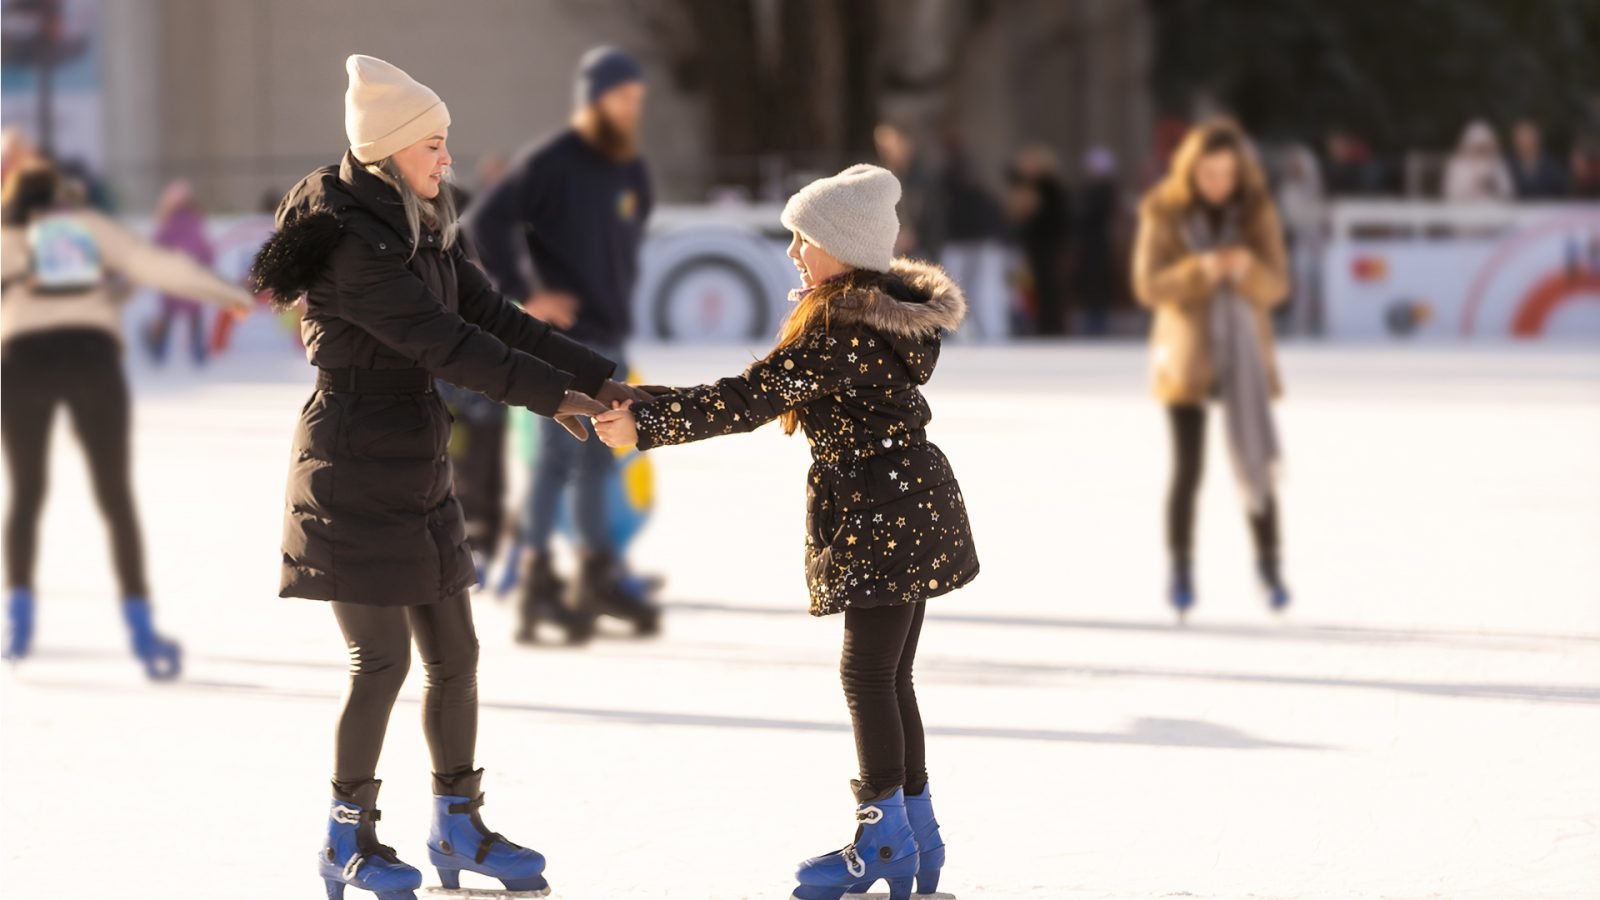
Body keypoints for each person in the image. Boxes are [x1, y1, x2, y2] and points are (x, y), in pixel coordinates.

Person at [249, 55, 643, 900]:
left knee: (456, 655)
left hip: (415, 457)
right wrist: (559, 402)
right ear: (389, 152)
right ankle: (344, 841)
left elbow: (489, 315)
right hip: (351, 464)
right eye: (433, 145)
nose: (447, 160)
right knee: (379, 661)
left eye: (447, 142)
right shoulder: (354, 246)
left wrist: (603, 378)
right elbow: (447, 345)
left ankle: (457, 828)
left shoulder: (419, 219)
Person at [594, 164, 976, 900]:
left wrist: (643, 424)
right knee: (891, 676)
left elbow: (748, 399)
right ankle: (915, 835)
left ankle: (887, 839)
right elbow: (755, 392)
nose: (794, 249)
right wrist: (640, 403)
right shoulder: (877, 316)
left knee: (868, 675)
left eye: (807, 237)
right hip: (913, 503)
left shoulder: (843, 326)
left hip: (881, 512)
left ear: (845, 245)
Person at [0, 159, 253, 677]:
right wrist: (227, 294)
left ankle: (16, 621)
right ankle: (140, 629)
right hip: (92, 359)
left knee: (26, 493)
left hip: (22, 363)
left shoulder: (8, 238)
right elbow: (158, 264)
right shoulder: (88, 229)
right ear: (61, 200)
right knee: (115, 497)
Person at [466, 46, 660, 644]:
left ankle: (595, 577)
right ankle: (537, 585)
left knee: (603, 461)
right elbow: (484, 222)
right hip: (560, 344)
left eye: (636, 101)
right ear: (594, 98)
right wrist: (528, 292)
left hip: (608, 339)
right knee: (556, 461)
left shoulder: (629, 168)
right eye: (621, 99)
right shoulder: (553, 160)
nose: (631, 110)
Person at [1131, 118, 1292, 621]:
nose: (1218, 183)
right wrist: (1201, 270)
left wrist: (1246, 271)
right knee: (1188, 468)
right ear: (1191, 169)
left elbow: (1278, 287)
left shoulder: (1256, 211)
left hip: (1244, 353)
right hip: (1186, 353)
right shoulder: (1164, 210)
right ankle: (1180, 568)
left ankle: (1269, 564)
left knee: (1254, 455)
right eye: (1208, 173)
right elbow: (1149, 285)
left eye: (1226, 173)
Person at [141, 180, 216, 366]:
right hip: (192, 280)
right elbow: (205, 250)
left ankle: (159, 350)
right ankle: (198, 352)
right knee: (195, 314)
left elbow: (156, 248)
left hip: (172, 281)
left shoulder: (167, 223)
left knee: (167, 314)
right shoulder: (195, 221)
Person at [1006, 143, 1070, 335]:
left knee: (1049, 282)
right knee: (1033, 284)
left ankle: (1052, 323)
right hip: (1033, 241)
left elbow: (1056, 215)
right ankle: (1041, 321)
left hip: (1049, 241)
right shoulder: (1023, 183)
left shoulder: (1049, 186)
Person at [875, 121, 947, 262]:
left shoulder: (926, 178)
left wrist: (914, 236)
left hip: (923, 251)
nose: (886, 150)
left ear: (906, 143)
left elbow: (933, 218)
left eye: (890, 144)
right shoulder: (884, 175)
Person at [1443, 120, 1514, 202]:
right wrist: (1474, 183)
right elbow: (1451, 192)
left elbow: (1508, 190)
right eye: (1477, 146)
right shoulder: (1458, 165)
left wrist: (1493, 184)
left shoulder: (1497, 164)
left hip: (1494, 209)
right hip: (1465, 209)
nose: (1481, 149)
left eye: (1484, 145)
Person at [1507, 120, 1569, 199]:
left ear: (1536, 138)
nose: (1523, 141)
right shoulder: (1506, 164)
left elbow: (1561, 190)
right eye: (1519, 137)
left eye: (1527, 137)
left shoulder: (1551, 165)